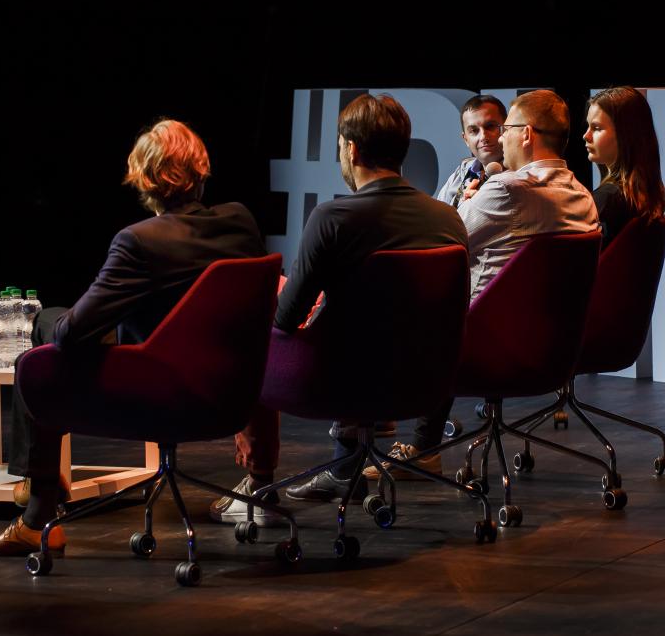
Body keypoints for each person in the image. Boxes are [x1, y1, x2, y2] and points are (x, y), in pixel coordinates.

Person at [0, 119, 266, 557]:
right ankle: (37, 487)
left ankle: (38, 508)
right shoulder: (241, 223)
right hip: (226, 395)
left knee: (46, 333)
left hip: (154, 394)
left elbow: (71, 334)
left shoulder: (139, 242)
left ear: (145, 179)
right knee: (65, 333)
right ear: (201, 170)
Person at [209, 93, 468, 522]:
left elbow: (285, 319)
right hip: (425, 383)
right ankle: (344, 464)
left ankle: (258, 485)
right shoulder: (448, 219)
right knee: (362, 327)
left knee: (252, 326)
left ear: (351, 149)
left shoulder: (334, 218)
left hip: (333, 383)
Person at [366, 89, 599, 479]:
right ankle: (416, 442)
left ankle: (356, 450)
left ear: (526, 134)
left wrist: (472, 201)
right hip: (551, 347)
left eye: (504, 128)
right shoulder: (581, 196)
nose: (499, 139)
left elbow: (438, 242)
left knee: (376, 299)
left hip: (478, 343)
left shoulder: (507, 190)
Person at [583, 86, 665, 247]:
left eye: (596, 128)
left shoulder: (608, 200)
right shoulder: (649, 197)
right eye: (588, 127)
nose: (586, 136)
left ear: (625, 135)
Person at [435, 94, 507, 207]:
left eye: (490, 126)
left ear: (507, 128)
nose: (483, 137)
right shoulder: (460, 173)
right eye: (474, 130)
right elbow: (439, 215)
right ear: (466, 140)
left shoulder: (522, 174)